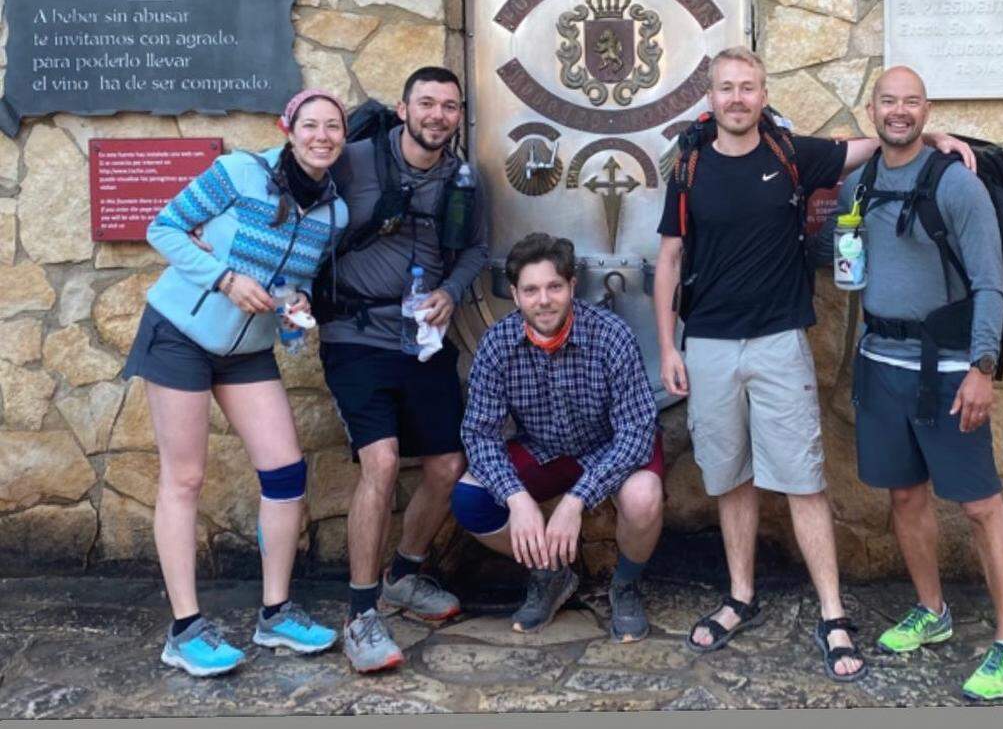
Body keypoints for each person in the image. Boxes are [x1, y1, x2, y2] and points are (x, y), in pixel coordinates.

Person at [653, 46, 974, 681]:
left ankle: (832, 612)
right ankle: (740, 596)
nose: (738, 98)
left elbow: (874, 144)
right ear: (710, 97)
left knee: (802, 479)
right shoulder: (688, 167)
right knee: (729, 478)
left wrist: (932, 133)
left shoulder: (790, 154)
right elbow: (668, 258)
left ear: (762, 93)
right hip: (710, 345)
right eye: (727, 88)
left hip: (779, 343)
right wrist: (668, 346)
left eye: (748, 87)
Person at [121, 88, 350, 677]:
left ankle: (275, 614)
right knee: (186, 477)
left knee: (285, 471)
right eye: (311, 125)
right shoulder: (237, 172)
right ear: (288, 128)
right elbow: (164, 227)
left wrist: (294, 310)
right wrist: (224, 278)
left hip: (247, 351)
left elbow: (293, 287)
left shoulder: (334, 214)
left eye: (334, 127)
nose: (322, 136)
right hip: (179, 333)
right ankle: (185, 629)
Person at [823, 66, 1003, 702]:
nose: (900, 112)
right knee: (906, 497)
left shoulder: (957, 185)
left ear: (926, 109)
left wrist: (983, 367)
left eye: (912, 103)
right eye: (889, 101)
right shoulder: (859, 183)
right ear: (872, 108)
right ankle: (932, 611)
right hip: (882, 362)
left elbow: (990, 281)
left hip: (950, 370)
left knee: (979, 504)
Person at [315, 66, 488, 672]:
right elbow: (293, 201)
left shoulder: (464, 179)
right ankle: (362, 615)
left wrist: (453, 292)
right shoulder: (354, 161)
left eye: (449, 106)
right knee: (382, 461)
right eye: (427, 103)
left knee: (447, 463)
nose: (438, 115)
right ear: (404, 107)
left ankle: (405, 576)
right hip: (356, 335)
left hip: (424, 339)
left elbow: (475, 250)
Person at [452, 233, 663, 640]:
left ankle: (625, 584)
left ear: (572, 287)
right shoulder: (497, 345)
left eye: (554, 286)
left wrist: (576, 501)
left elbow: (636, 433)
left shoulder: (611, 335)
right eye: (531, 290)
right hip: (544, 449)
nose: (543, 300)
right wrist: (517, 499)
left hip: (610, 446)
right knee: (471, 499)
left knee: (643, 497)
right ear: (514, 295)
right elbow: (479, 434)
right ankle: (550, 574)